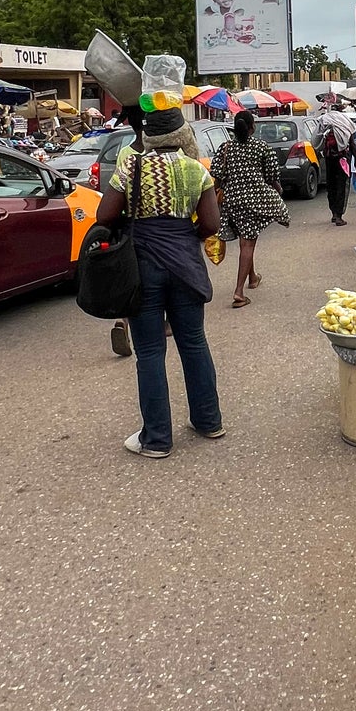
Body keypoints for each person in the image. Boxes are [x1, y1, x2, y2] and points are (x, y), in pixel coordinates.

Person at [94, 102, 224, 459]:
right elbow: (212, 225)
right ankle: (209, 421)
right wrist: (184, 236)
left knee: (150, 351)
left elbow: (104, 214)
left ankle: (157, 439)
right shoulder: (196, 170)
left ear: (148, 136)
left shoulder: (131, 165)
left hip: (143, 266)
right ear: (182, 135)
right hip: (185, 264)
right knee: (194, 343)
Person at [209, 109, 289, 307]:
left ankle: (252, 277)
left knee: (247, 238)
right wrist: (279, 191)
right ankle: (239, 292)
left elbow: (217, 176)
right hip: (255, 200)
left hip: (232, 202)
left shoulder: (225, 148)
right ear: (253, 126)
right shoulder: (262, 147)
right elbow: (272, 176)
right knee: (248, 244)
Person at [311, 96, 356, 226]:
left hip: (329, 158)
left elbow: (315, 140)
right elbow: (352, 143)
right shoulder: (346, 121)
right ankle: (339, 215)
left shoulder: (324, 120)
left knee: (331, 186)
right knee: (342, 186)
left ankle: (334, 213)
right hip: (343, 159)